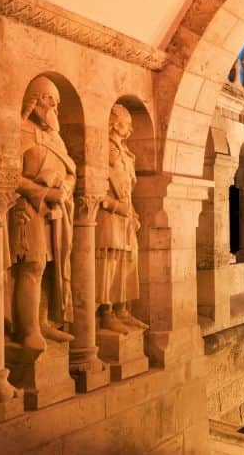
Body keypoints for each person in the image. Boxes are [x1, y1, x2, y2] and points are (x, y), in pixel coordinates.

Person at [9, 76, 77, 352]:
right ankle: (27, 329)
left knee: (53, 267)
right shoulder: (20, 131)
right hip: (30, 209)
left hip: (56, 211)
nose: (55, 107)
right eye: (50, 100)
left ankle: (43, 319)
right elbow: (8, 176)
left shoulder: (55, 137)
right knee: (32, 266)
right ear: (34, 99)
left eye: (57, 102)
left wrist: (66, 187)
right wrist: (44, 192)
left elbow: (72, 171)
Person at [96, 104, 147, 334]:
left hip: (125, 216)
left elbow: (128, 188)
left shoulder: (126, 154)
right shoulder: (103, 148)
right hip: (108, 216)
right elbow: (95, 189)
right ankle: (106, 313)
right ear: (115, 123)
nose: (131, 129)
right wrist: (118, 206)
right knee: (109, 263)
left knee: (128, 262)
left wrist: (132, 212)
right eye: (127, 123)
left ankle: (123, 310)